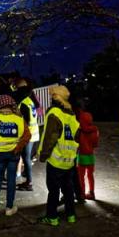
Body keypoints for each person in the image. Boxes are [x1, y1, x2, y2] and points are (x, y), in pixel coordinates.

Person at [37, 85, 80, 226]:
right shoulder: (71, 114)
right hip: (69, 160)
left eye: (52, 95)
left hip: (56, 161)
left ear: (56, 97)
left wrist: (43, 155)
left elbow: (50, 137)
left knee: (53, 190)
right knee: (68, 189)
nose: (50, 97)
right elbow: (76, 137)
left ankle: (52, 217)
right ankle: (71, 215)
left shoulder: (54, 113)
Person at [0, 95, 30, 216]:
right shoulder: (18, 119)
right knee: (11, 180)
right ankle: (9, 208)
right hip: (13, 154)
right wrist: (18, 148)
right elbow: (27, 135)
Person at [16, 79, 38, 191]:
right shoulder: (29, 100)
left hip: (28, 135)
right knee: (26, 158)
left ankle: (29, 183)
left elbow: (27, 121)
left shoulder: (23, 103)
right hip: (33, 133)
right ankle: (28, 180)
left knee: (26, 158)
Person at [76, 106, 100, 200]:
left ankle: (82, 194)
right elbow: (95, 144)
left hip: (82, 155)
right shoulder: (95, 130)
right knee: (90, 175)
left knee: (81, 176)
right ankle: (92, 192)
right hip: (91, 155)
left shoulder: (80, 131)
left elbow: (76, 142)